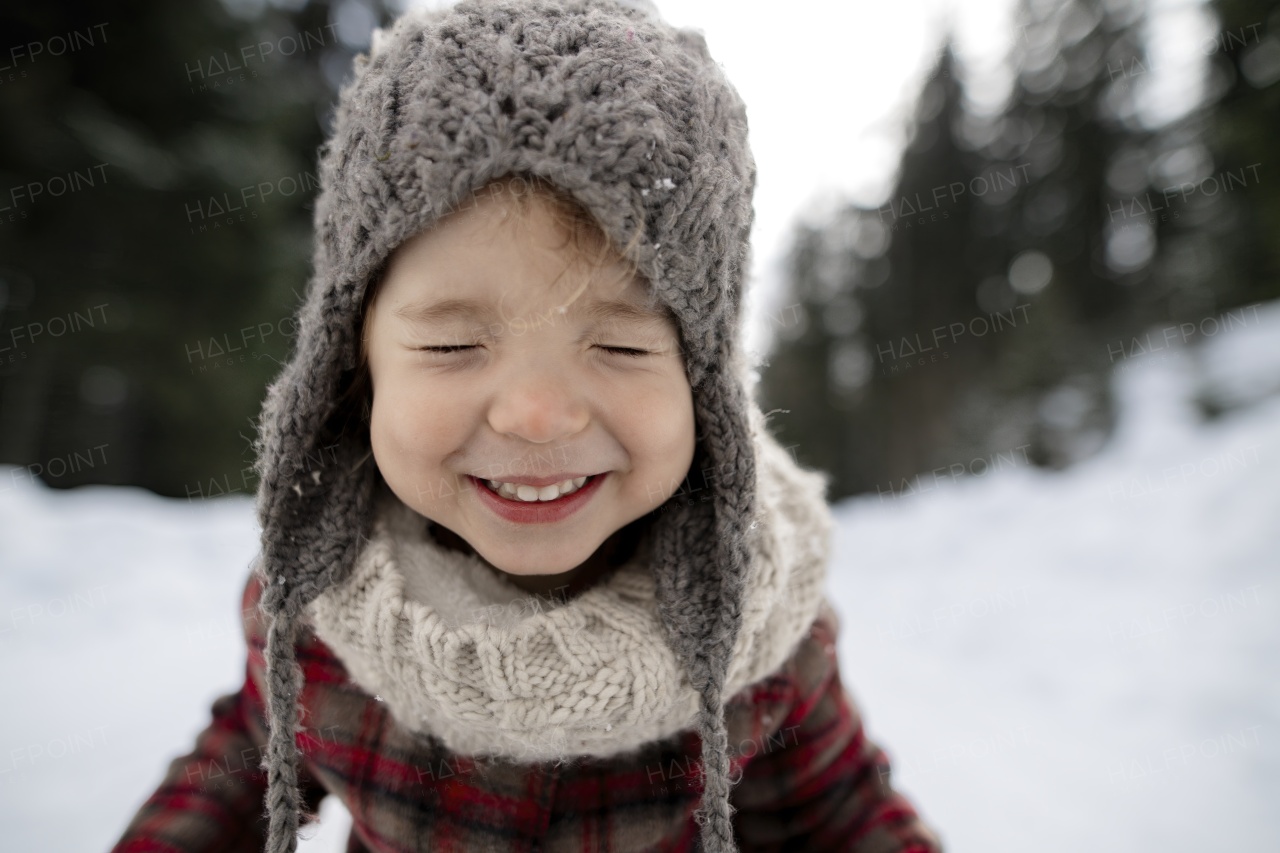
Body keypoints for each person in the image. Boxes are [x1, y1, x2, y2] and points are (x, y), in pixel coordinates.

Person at [110, 1, 946, 850]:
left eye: (620, 345)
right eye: (454, 342)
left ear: (707, 384)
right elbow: (243, 755)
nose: (538, 413)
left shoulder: (760, 630)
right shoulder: (315, 604)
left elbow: (844, 815)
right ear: (354, 366)